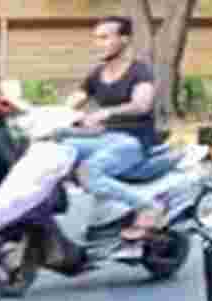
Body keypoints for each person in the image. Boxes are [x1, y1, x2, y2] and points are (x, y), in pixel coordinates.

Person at [64, 15, 161, 241]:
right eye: (96, 38)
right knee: (57, 148)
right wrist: (52, 116)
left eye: (105, 37)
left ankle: (148, 207)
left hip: (133, 141)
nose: (98, 43)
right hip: (103, 138)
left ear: (124, 39)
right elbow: (74, 100)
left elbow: (142, 104)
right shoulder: (97, 74)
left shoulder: (140, 71)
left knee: (89, 171)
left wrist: (107, 112)